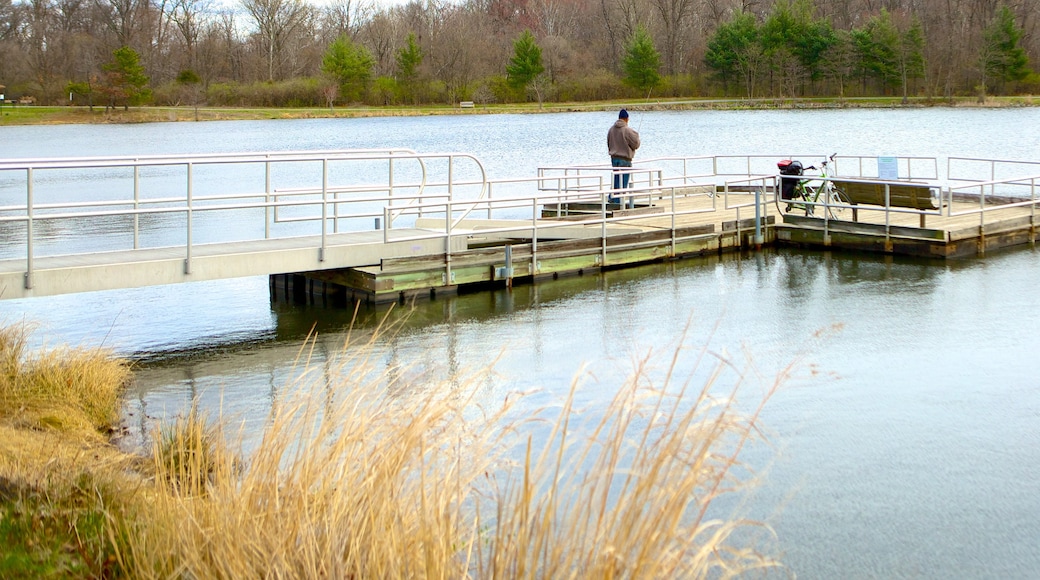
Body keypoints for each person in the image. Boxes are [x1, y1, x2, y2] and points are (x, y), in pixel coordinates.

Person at [607, 108, 640, 208]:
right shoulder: (627, 130)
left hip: (614, 159)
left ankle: (612, 198)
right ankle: (618, 204)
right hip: (625, 160)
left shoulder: (611, 130)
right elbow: (636, 144)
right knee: (623, 183)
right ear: (626, 119)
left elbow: (608, 143)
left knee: (616, 180)